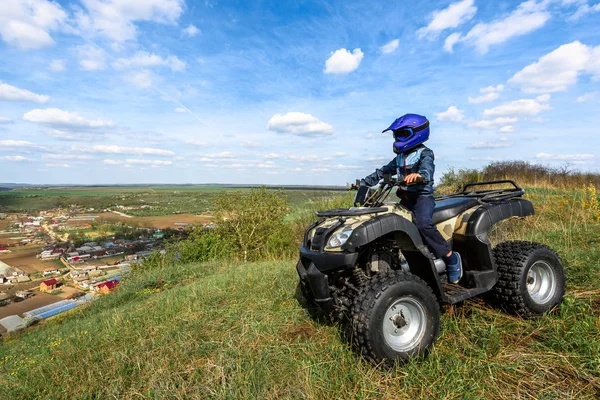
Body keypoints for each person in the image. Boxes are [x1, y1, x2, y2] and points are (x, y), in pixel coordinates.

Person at [359, 113, 463, 283]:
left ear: (417, 133)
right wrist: (364, 182)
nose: (399, 138)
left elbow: (427, 171)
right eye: (397, 135)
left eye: (403, 134)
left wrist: (419, 176)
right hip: (406, 199)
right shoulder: (399, 157)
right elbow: (382, 172)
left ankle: (451, 258)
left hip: (422, 197)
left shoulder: (425, 153)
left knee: (423, 224)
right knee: (390, 223)